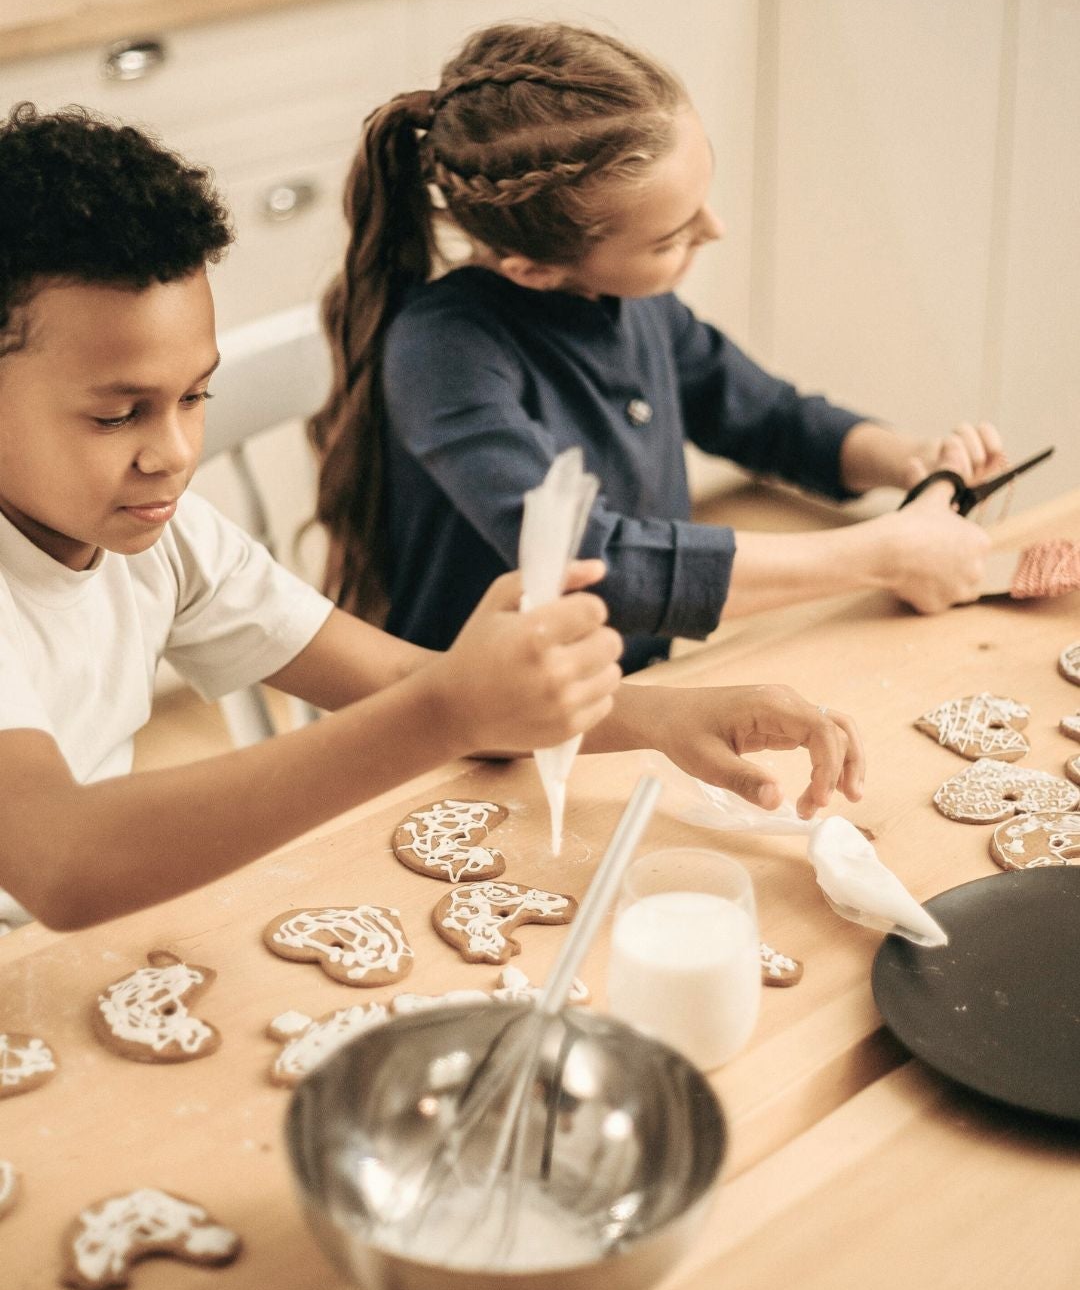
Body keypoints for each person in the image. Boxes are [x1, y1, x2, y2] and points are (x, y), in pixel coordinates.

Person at [0, 104, 863, 932]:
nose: (175, 452)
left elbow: (395, 681)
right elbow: (62, 861)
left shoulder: (171, 537)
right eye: (117, 416)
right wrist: (447, 715)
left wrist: (664, 718)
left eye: (193, 397)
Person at [312, 20, 1001, 675]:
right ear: (535, 269)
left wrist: (908, 459)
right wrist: (880, 554)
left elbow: (770, 417)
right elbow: (590, 566)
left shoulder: (636, 306)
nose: (716, 228)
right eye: (670, 237)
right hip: (482, 735)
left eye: (702, 199)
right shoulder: (444, 353)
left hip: (629, 686)